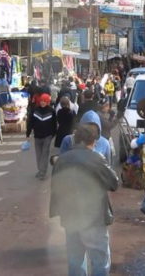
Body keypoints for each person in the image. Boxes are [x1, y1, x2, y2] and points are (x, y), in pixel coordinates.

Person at [50, 124, 119, 276]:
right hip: (93, 217)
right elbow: (113, 183)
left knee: (75, 259)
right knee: (100, 260)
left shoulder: (62, 159)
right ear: (94, 140)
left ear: (75, 139)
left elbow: (56, 187)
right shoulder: (96, 158)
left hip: (70, 216)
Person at [26, 93, 57, 180]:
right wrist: (28, 133)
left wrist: (53, 133)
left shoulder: (51, 111)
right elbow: (30, 122)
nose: (43, 102)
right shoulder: (35, 110)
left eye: (44, 101)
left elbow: (54, 123)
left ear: (48, 102)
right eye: (41, 101)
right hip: (37, 136)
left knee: (45, 153)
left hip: (47, 136)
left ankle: (43, 172)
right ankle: (40, 170)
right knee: (38, 154)